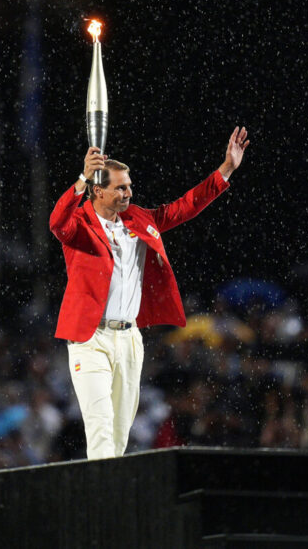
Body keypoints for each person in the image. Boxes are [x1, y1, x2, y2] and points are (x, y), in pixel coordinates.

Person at [49, 126, 250, 459]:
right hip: (90, 339)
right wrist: (80, 180)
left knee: (119, 432)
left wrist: (226, 168)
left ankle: (108, 496)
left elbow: (185, 207)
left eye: (130, 186)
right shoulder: (79, 225)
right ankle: (103, 505)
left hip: (129, 339)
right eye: (121, 188)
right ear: (98, 192)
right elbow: (57, 223)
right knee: (100, 427)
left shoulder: (137, 219)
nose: (130, 193)